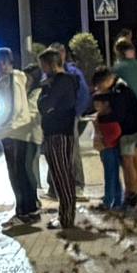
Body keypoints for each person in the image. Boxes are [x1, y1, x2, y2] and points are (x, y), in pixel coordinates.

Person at [0, 48, 40, 226]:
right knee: (20, 173)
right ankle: (29, 210)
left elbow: (12, 107)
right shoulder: (15, 78)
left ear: (4, 62)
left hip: (12, 131)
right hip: (15, 130)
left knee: (17, 174)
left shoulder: (10, 79)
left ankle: (24, 212)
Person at [37, 49, 80, 230]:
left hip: (59, 134)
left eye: (44, 66)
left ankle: (67, 218)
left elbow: (45, 105)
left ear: (51, 64)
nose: (43, 70)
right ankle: (64, 215)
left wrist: (44, 91)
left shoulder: (62, 82)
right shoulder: (62, 81)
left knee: (63, 177)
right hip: (58, 133)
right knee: (61, 176)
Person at [91, 66, 137, 211]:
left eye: (101, 85)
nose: (100, 88)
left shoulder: (120, 90)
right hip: (127, 129)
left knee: (127, 163)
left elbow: (118, 114)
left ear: (108, 80)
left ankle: (131, 196)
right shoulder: (116, 88)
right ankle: (127, 196)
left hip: (128, 131)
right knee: (126, 162)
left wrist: (100, 118)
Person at [49, 43, 91, 197]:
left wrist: (75, 113)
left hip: (68, 117)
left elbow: (84, 94)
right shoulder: (48, 74)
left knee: (72, 151)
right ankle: (53, 187)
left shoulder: (72, 72)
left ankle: (78, 184)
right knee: (53, 151)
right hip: (53, 120)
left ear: (63, 54)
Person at [112, 38, 137, 208]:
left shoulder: (118, 69)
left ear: (118, 52)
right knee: (136, 151)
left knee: (126, 157)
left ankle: (131, 193)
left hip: (125, 117)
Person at [91, 93, 124, 211]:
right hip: (105, 150)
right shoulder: (102, 116)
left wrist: (105, 143)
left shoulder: (111, 117)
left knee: (110, 176)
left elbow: (116, 132)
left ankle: (109, 202)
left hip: (110, 149)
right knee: (113, 176)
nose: (95, 106)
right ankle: (117, 201)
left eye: (97, 104)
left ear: (106, 104)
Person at [22, 64, 45, 206]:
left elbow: (29, 113)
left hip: (32, 135)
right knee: (26, 167)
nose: (24, 80)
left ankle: (34, 200)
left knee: (28, 167)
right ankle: (30, 199)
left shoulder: (37, 92)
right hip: (25, 134)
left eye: (27, 77)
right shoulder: (28, 91)